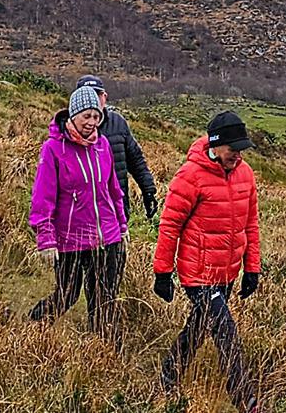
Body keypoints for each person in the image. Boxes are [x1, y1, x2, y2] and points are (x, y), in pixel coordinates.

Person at [153, 110, 262, 410]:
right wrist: (163, 272)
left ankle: (167, 377)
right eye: (232, 149)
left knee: (197, 329)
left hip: (228, 271)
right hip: (198, 274)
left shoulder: (246, 174)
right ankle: (244, 398)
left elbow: (250, 224)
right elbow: (170, 225)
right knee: (225, 330)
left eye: (241, 149)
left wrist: (252, 269)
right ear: (215, 145)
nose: (237, 155)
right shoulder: (190, 176)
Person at [28, 85, 128, 346]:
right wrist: (46, 238)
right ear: (73, 115)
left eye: (96, 116)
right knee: (67, 294)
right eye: (86, 116)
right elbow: (43, 197)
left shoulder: (103, 145)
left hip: (106, 235)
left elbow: (113, 189)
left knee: (104, 296)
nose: (92, 123)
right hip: (70, 237)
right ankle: (33, 328)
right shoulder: (53, 149)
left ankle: (103, 348)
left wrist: (122, 224)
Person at [76, 76, 159, 221]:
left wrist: (148, 191)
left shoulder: (118, 123)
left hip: (117, 210)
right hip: (82, 215)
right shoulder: (67, 132)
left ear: (105, 97)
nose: (93, 100)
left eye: (97, 94)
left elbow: (136, 160)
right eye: (88, 94)